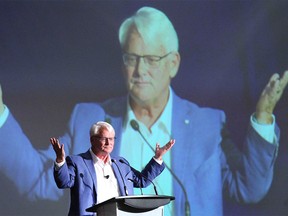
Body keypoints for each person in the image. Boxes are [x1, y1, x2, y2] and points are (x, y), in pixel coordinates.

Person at [0, 6, 288, 216]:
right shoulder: (89, 119)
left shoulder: (207, 125)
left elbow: (250, 188)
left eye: (151, 59)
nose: (140, 71)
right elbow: (39, 179)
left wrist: (263, 116)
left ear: (173, 63)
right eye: (132, 58)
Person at [50, 121, 175, 215]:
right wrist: (61, 160)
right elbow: (64, 182)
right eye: (104, 139)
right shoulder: (78, 162)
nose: (109, 143)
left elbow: (142, 181)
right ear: (92, 140)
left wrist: (157, 158)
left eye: (111, 139)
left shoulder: (120, 164)